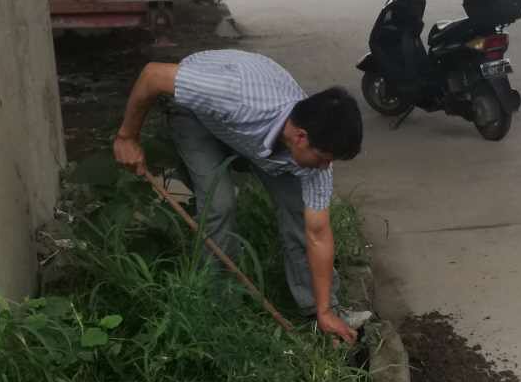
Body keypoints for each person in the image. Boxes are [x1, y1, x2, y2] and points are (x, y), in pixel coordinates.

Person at [112, 50, 366, 346]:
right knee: (218, 205)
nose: (325, 167)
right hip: (196, 116)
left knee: (299, 211)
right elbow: (153, 75)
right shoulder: (234, 94)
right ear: (300, 137)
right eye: (323, 158)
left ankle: (320, 314)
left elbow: (318, 233)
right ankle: (217, 309)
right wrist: (127, 137)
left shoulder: (314, 158)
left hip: (255, 135)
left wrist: (325, 309)